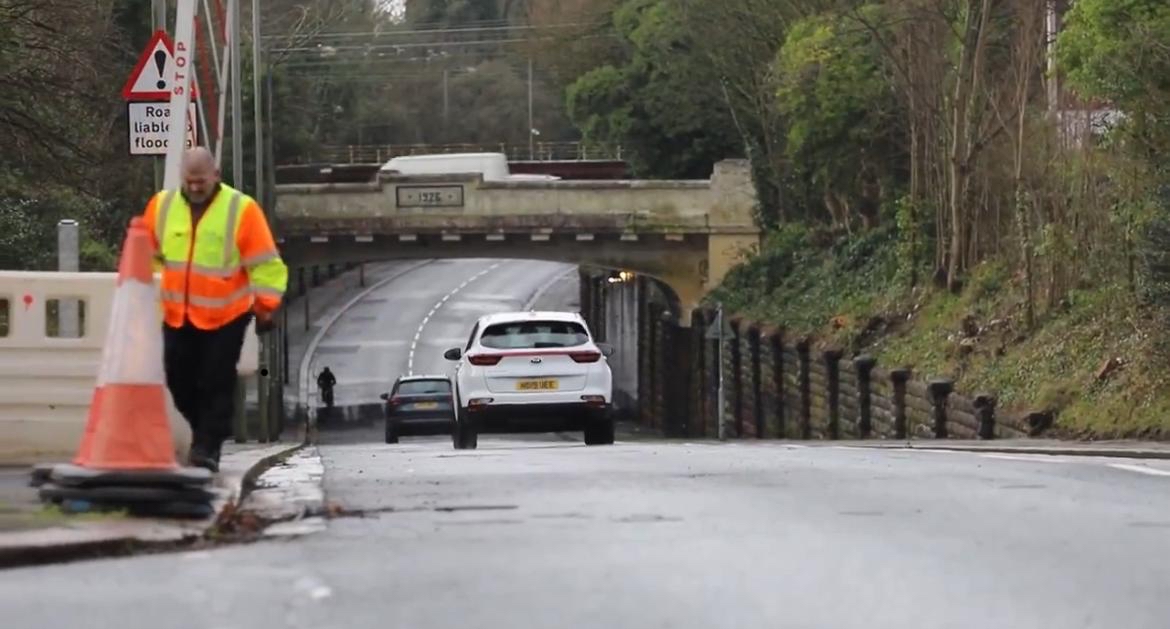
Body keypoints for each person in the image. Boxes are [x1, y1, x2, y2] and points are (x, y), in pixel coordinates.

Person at [141, 146, 288, 472]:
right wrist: (147, 293)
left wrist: (266, 307)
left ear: (216, 176)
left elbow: (265, 264)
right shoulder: (162, 206)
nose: (195, 188)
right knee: (177, 378)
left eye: (201, 181)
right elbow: (147, 254)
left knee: (215, 381)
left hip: (227, 315)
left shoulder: (242, 209)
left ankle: (208, 447)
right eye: (190, 181)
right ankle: (206, 432)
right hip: (178, 314)